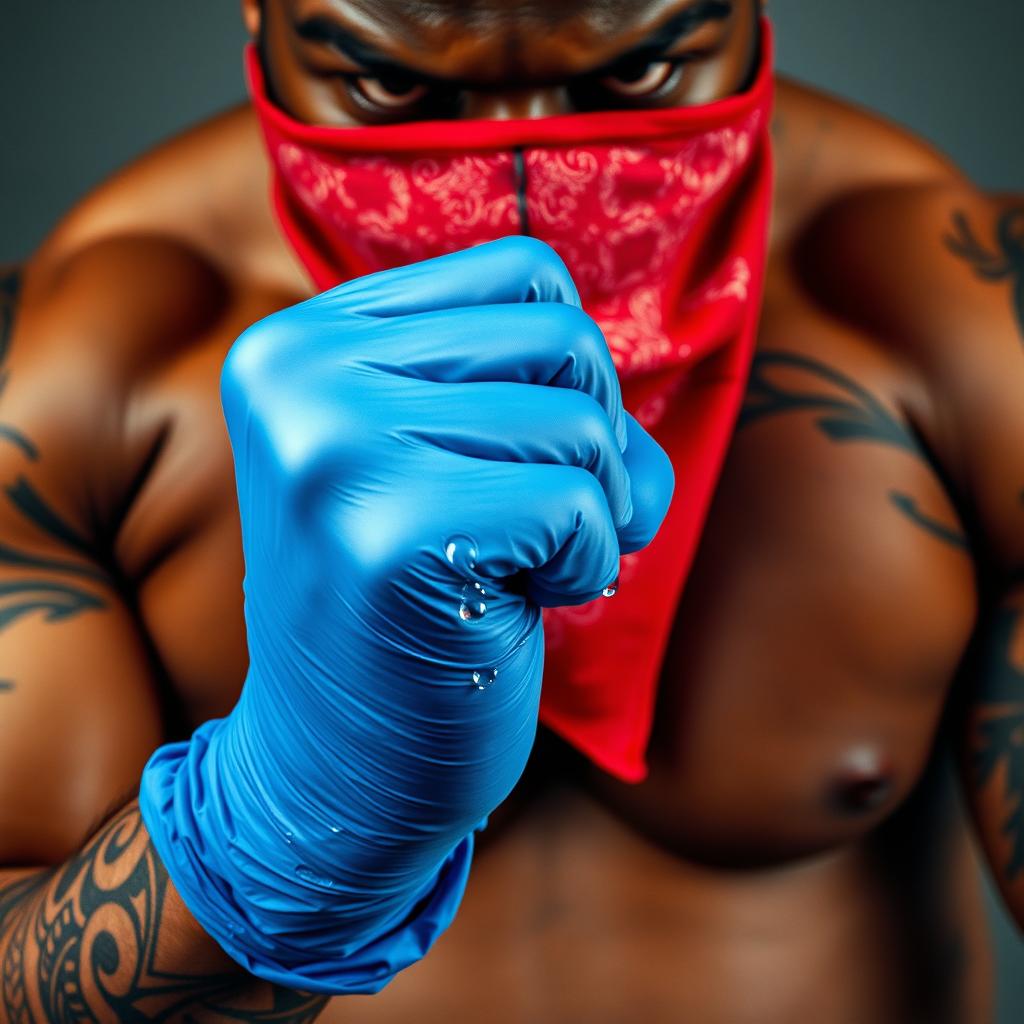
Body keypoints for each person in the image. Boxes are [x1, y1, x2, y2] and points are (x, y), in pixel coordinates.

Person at [0, 0, 1021, 1020]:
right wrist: (266, 832)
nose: (517, 167)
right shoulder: (74, 371)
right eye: (394, 87)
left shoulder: (958, 320)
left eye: (640, 74)